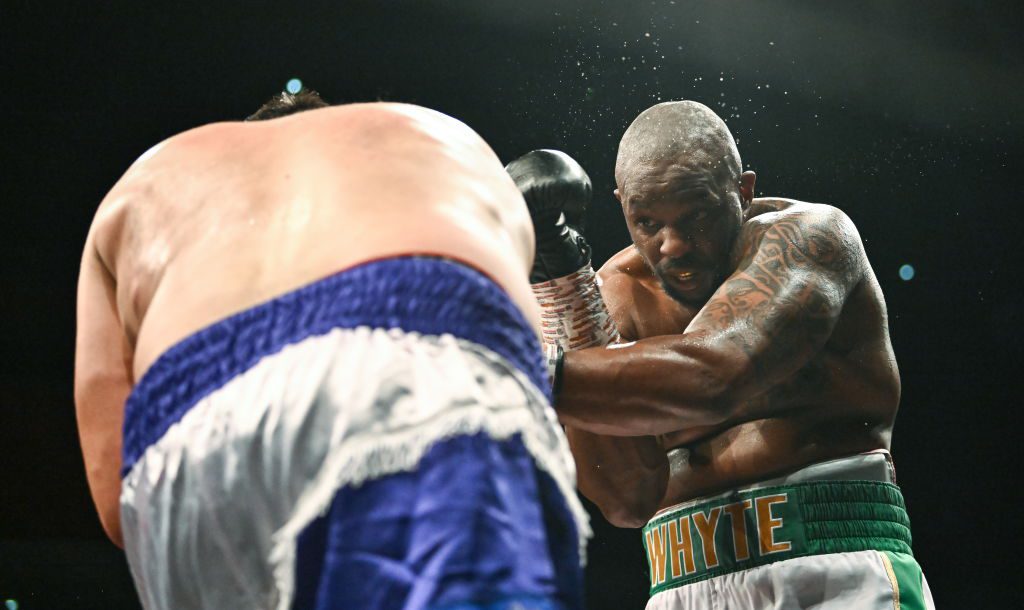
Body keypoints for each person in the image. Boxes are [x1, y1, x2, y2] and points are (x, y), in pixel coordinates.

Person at [74, 90, 588, 610]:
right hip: (405, 362)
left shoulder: (139, 184)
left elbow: (118, 503)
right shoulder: (432, 136)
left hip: (187, 455)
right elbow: (522, 373)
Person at [507, 101, 933, 609]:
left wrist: (505, 363)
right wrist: (563, 288)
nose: (674, 246)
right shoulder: (614, 294)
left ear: (743, 191)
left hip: (835, 566)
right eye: (647, 222)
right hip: (680, 584)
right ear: (622, 205)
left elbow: (713, 377)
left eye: (699, 216)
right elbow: (626, 500)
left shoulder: (808, 238)